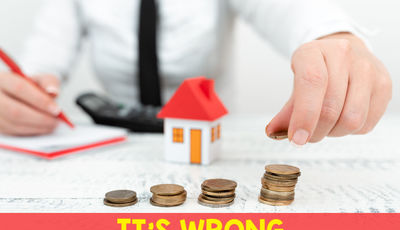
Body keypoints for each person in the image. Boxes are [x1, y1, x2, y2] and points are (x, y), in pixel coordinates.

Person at [0, 0, 392, 146]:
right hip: (118, 140)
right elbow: (41, 60)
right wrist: (25, 92)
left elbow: (295, 11)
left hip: (210, 137)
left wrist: (336, 37)